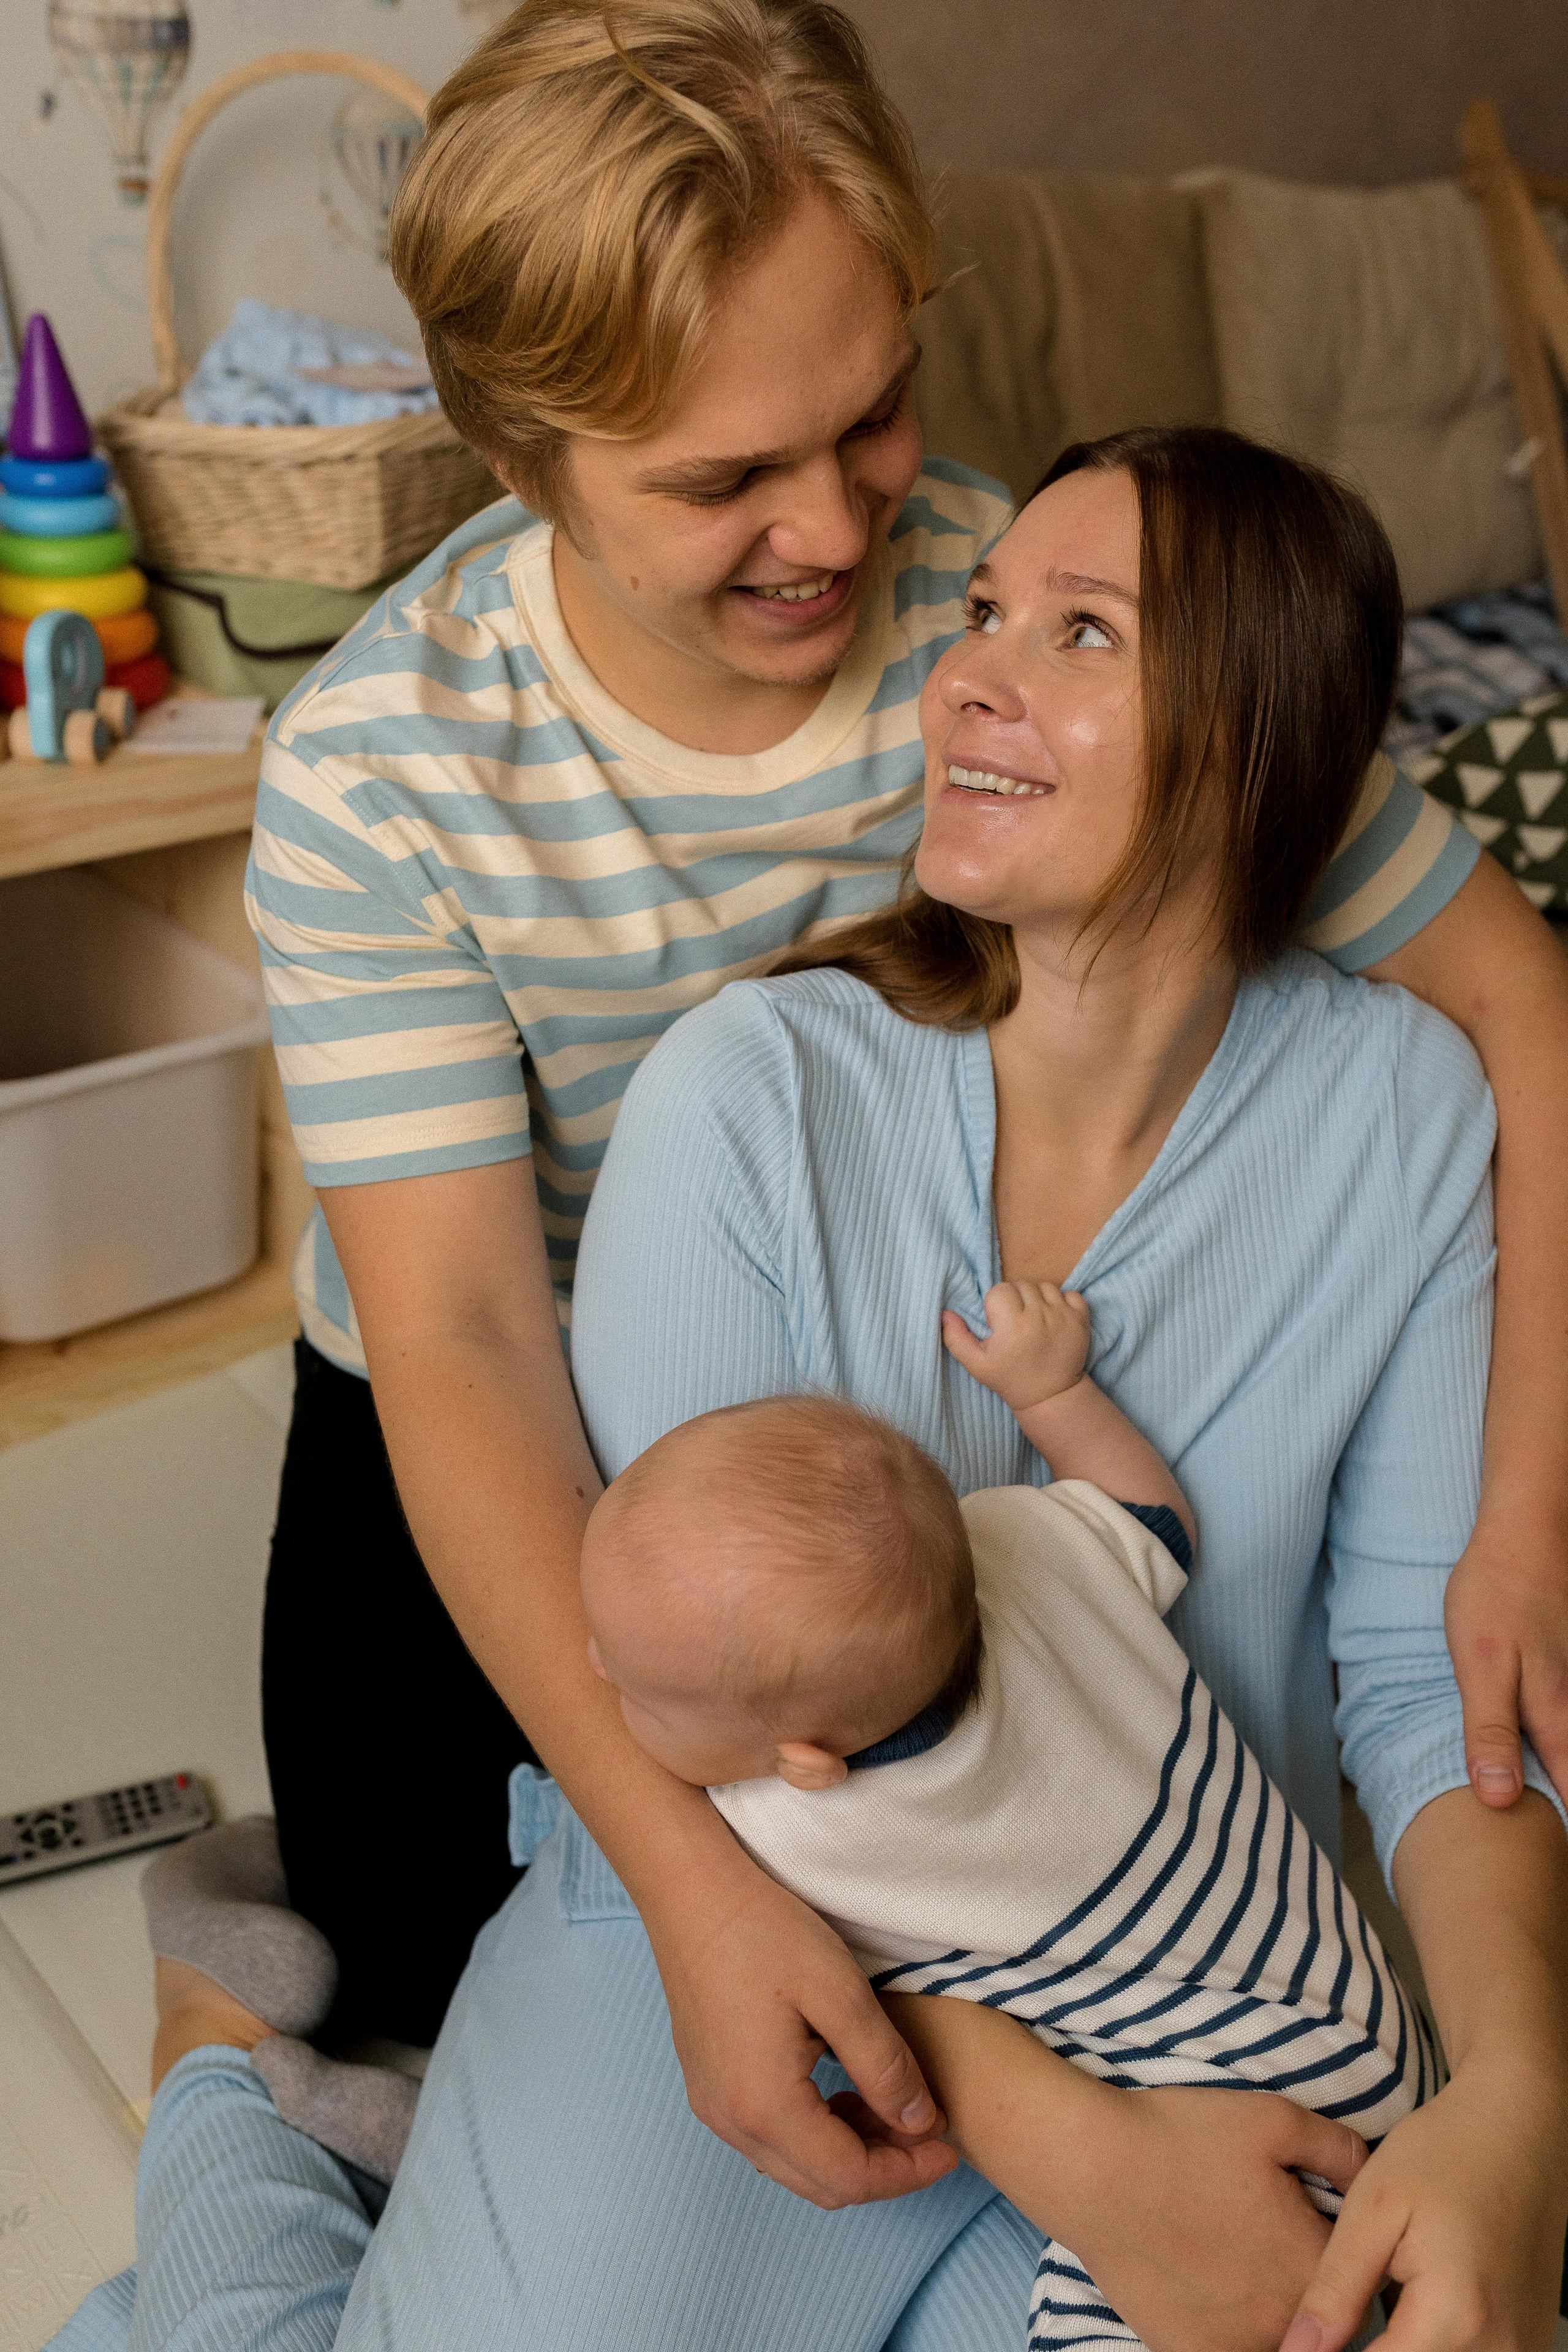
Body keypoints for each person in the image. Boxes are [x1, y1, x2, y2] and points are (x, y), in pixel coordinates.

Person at [62, 426, 1568, 2352]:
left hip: (1176, 1998)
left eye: (1082, 633)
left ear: (1261, 736)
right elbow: (683, 1739)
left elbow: (1436, 1686)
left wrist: (1514, 2102)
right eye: (986, 612)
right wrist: (1081, 2159)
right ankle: (230, 2077)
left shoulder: (1413, 1121)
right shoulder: (752, 1099)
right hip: (746, 1951)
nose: (970, 672)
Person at [253, 13, 1568, 2207]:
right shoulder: (379, 778)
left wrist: (1525, 1503)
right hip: (498, 1415)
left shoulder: (1024, 631)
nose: (831, 526)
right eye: (718, 481)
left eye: (871, 418)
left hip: (868, 1425)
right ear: (517, 459)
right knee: (421, 1947)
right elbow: (466, 1348)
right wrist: (695, 1887)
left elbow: (1522, 994)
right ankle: (229, 2045)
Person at [580, 1385, 1438, 2351]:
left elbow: (818, 2013)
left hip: (1235, 2112)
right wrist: (1057, 1394)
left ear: (807, 1762)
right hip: (1360, 2013)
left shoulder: (793, 1835)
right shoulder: (1022, 1549)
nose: (595, 1669)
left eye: (639, 1691)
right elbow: (1155, 1517)